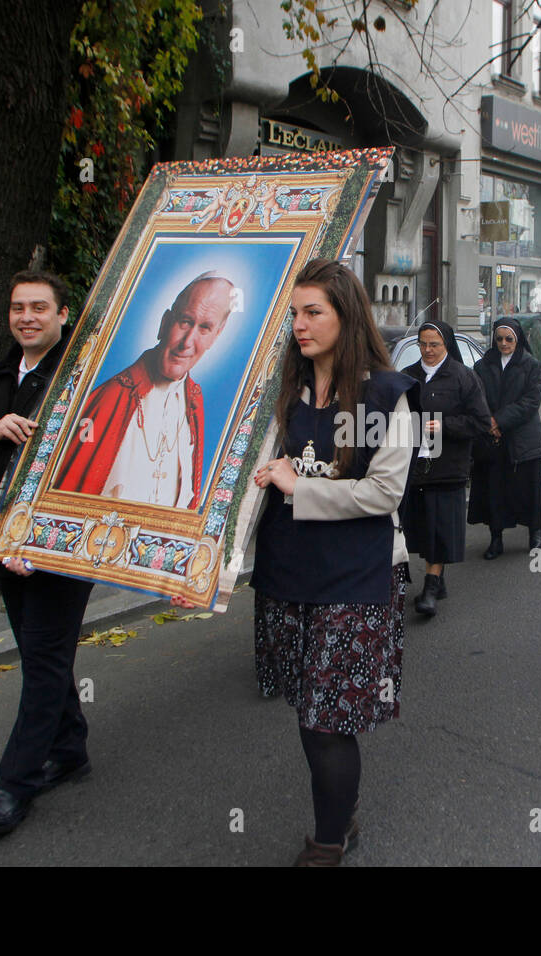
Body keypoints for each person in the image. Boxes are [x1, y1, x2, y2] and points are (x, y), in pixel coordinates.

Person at [249, 258, 418, 866]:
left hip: (356, 575)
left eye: (312, 311)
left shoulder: (382, 395)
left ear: (347, 316)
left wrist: (299, 487)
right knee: (308, 707)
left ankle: (329, 838)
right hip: (289, 570)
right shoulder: (286, 392)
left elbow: (382, 494)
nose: (299, 324)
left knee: (327, 718)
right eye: (294, 313)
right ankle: (339, 812)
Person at [0, 271, 96, 834]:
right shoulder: (0, 371)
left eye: (39, 307)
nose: (26, 317)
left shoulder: (82, 376)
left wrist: (38, 540)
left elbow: (91, 467)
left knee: (44, 659)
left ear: (62, 315)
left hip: (56, 547)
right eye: (17, 308)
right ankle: (71, 747)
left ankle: (16, 784)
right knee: (43, 657)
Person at [54, 272, 233, 507]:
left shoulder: (194, 402)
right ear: (165, 322)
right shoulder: (111, 396)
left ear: (215, 337)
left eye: (205, 328)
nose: (187, 342)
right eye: (186, 321)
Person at [399, 320, 490, 616]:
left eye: (434, 345)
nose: (427, 350)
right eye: (422, 344)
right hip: (414, 466)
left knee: (440, 528)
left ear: (446, 345)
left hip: (447, 465)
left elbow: (480, 422)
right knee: (421, 527)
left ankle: (430, 586)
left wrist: (446, 425)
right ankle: (437, 579)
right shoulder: (407, 377)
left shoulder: (464, 377)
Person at [469, 318, 541, 558]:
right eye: (499, 339)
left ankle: (535, 533)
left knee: (528, 490)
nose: (503, 343)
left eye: (509, 339)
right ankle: (496, 539)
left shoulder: (531, 365)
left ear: (518, 339)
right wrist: (488, 422)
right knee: (494, 490)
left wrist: (498, 420)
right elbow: (476, 397)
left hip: (522, 438)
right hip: (493, 439)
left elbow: (531, 402)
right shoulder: (483, 365)